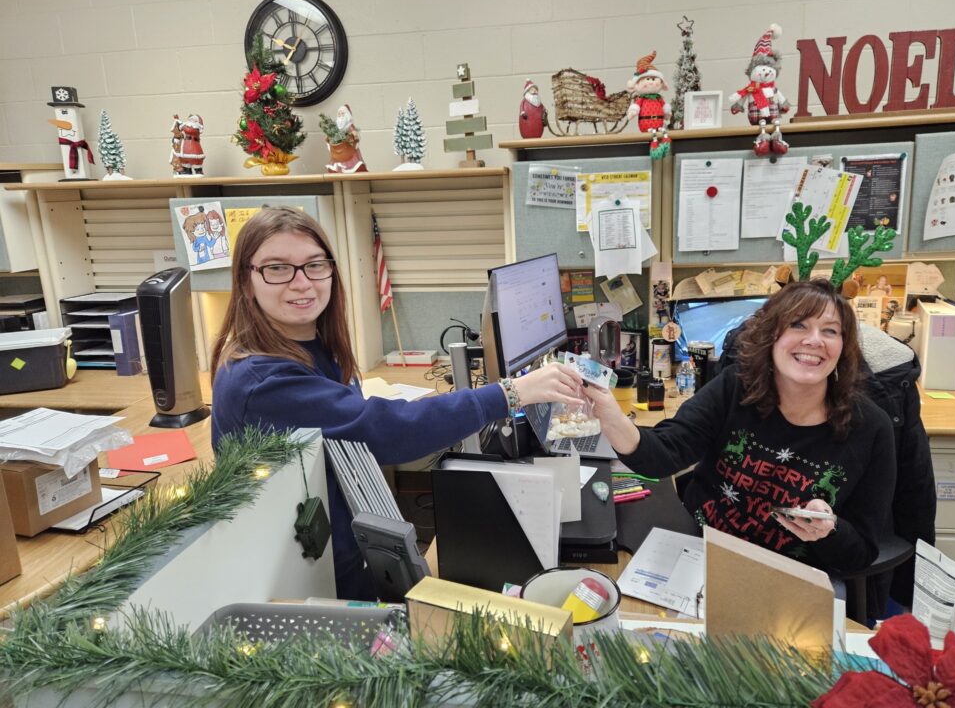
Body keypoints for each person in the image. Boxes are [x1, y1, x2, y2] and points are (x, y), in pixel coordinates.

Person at [210, 207, 584, 599]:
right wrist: (510, 393)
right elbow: (383, 430)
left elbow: (351, 423)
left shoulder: (311, 343)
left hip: (336, 545)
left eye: (314, 265)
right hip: (305, 577)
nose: (301, 283)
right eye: (277, 268)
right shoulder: (262, 381)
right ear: (246, 281)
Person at [585, 279, 896, 574]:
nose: (814, 340)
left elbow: (861, 554)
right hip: (701, 552)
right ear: (771, 336)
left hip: (790, 577)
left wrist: (830, 531)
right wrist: (609, 413)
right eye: (798, 325)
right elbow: (662, 455)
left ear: (843, 347)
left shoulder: (871, 429)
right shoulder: (736, 388)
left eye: (830, 331)